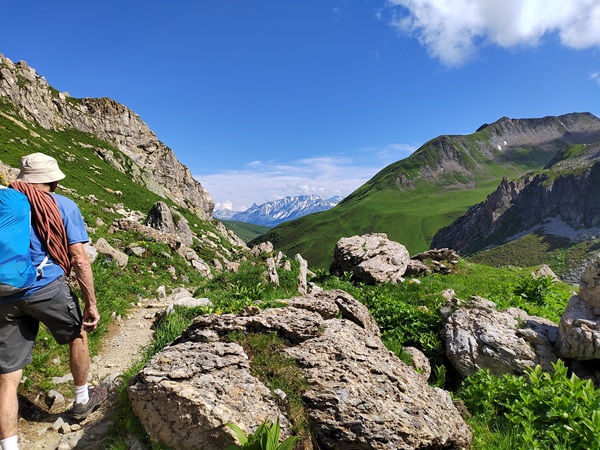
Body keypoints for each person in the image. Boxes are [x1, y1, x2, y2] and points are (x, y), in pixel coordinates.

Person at [0, 153, 107, 450]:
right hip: (47, 288)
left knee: (7, 377)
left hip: (5, 295)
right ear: (54, 180)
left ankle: (8, 446)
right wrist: (91, 303)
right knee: (76, 334)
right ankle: (82, 400)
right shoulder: (63, 205)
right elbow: (79, 259)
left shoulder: (7, 202)